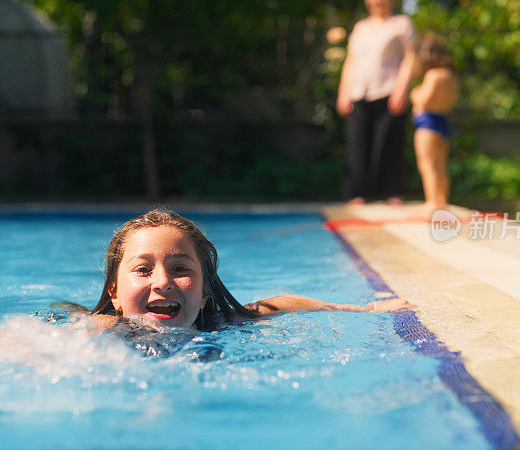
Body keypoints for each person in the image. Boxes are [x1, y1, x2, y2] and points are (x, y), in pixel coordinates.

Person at [89, 208, 410, 332]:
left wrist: (365, 309)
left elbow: (282, 302)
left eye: (180, 269)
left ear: (203, 294)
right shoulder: (106, 329)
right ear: (114, 293)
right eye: (143, 269)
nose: (163, 281)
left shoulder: (220, 323)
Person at [336, 0, 416, 205]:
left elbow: (410, 58)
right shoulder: (360, 28)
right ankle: (358, 193)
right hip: (359, 93)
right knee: (357, 144)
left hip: (388, 91)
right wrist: (343, 92)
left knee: (389, 143)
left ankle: (392, 191)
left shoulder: (401, 24)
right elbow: (350, 61)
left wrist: (401, 89)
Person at [409, 33, 459, 215]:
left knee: (427, 164)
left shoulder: (433, 75)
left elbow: (425, 100)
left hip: (427, 123)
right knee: (440, 165)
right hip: (443, 121)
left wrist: (415, 93)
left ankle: (432, 202)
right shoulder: (450, 76)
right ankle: (442, 201)